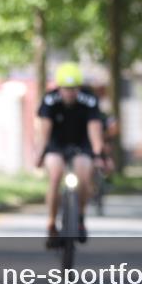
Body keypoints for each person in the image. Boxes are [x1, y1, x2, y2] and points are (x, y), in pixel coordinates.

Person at [34, 62, 105, 248]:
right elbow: (44, 132)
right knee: (56, 174)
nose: (70, 93)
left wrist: (98, 154)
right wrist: (40, 154)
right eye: (66, 89)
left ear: (79, 88)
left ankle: (80, 217)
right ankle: (51, 223)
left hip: (81, 144)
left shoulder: (89, 100)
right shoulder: (50, 100)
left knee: (83, 173)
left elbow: (95, 129)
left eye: (73, 89)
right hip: (56, 145)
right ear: (59, 88)